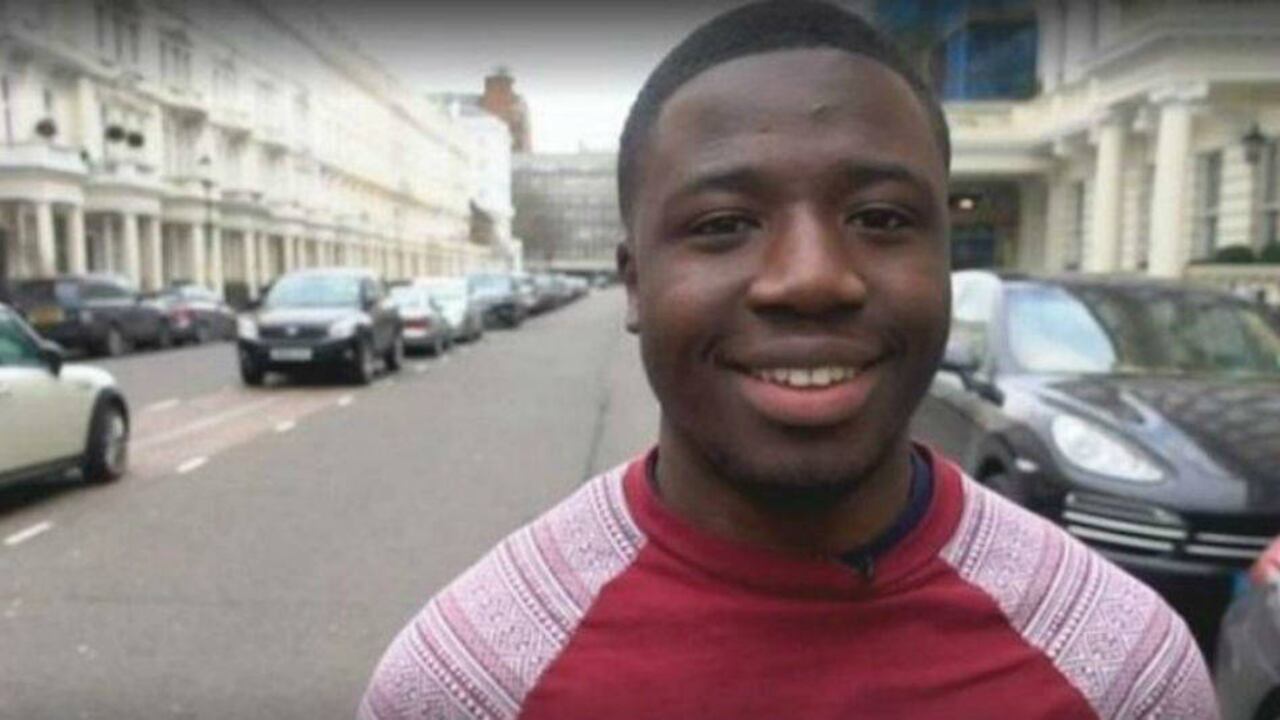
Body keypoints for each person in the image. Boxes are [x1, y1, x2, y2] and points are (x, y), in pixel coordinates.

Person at [359, 3, 1216, 718]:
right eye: (723, 224)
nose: (812, 279)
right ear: (634, 282)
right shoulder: (464, 685)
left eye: (881, 219)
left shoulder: (1126, 674)